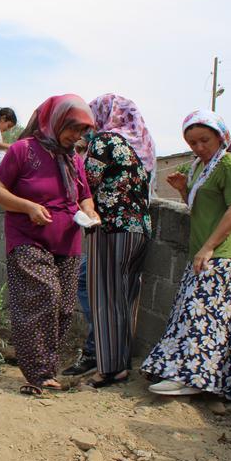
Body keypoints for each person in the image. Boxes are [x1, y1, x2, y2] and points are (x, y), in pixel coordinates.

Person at [0, 94, 100, 395]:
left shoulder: (73, 159)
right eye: (72, 128)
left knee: (63, 308)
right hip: (27, 238)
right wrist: (28, 207)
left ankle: (47, 370)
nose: (76, 136)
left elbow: (85, 196)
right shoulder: (23, 150)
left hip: (68, 241)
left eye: (81, 131)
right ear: (56, 121)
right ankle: (37, 373)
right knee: (44, 295)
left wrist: (90, 212)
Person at [141, 110, 231, 399]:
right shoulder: (200, 167)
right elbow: (200, 209)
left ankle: (192, 378)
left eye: (205, 140)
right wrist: (183, 190)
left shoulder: (228, 165)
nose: (199, 147)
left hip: (222, 255)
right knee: (193, 316)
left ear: (220, 137)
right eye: (193, 143)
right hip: (203, 252)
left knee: (204, 319)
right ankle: (189, 375)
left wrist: (209, 247)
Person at [80, 94, 156, 387]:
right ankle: (121, 365)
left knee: (105, 298)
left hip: (112, 229)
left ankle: (109, 369)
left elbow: (86, 184)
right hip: (139, 230)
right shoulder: (138, 146)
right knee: (125, 300)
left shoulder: (104, 141)